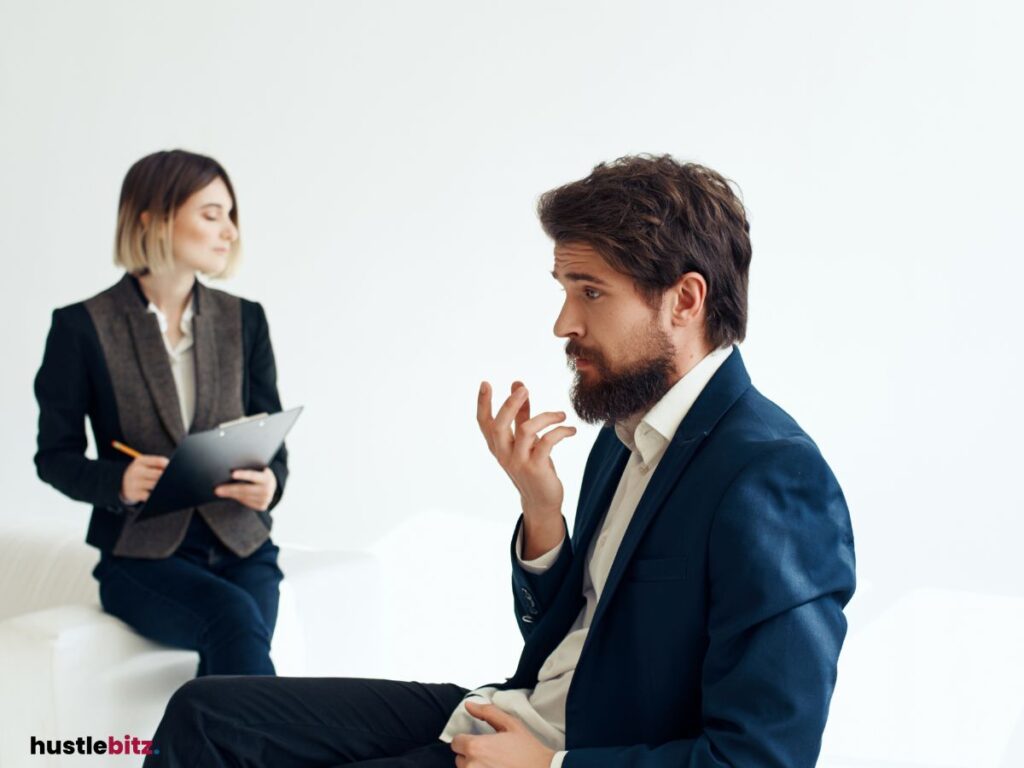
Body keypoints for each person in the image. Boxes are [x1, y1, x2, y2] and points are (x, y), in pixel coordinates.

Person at [143, 154, 856, 767]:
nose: (563, 324)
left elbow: (762, 757)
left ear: (685, 300)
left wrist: (553, 765)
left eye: (591, 291)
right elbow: (576, 637)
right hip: (510, 713)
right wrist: (541, 512)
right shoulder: (624, 433)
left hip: (564, 751)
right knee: (204, 716)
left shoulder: (770, 476)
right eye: (564, 289)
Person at [34, 149, 289, 677]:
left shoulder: (245, 320)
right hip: (142, 556)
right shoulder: (81, 328)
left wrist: (271, 485)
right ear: (153, 217)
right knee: (235, 622)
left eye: (231, 215)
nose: (230, 231)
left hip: (243, 544)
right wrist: (118, 482)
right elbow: (53, 456)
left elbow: (272, 440)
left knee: (237, 662)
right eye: (212, 214)